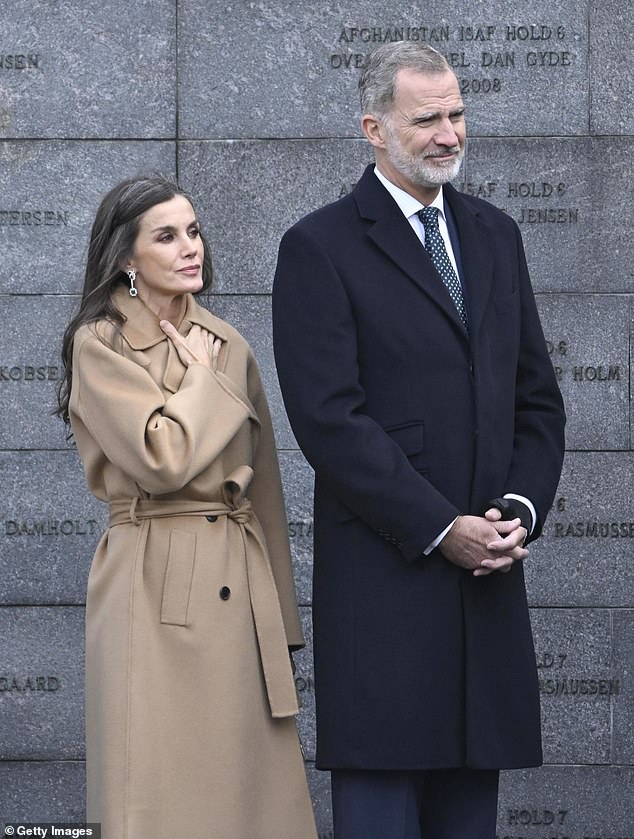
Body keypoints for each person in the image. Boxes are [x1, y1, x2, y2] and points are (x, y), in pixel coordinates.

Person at [272, 42, 566, 839]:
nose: (448, 133)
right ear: (374, 128)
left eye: (458, 113)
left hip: (488, 594)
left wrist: (516, 511)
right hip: (385, 596)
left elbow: (537, 402)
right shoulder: (320, 246)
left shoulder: (496, 235)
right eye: (427, 117)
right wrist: (443, 528)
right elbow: (331, 420)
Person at [56, 174, 317, 839]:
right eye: (166, 236)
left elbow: (263, 492)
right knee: (156, 790)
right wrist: (200, 378)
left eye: (194, 231)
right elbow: (160, 459)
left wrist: (280, 623)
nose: (189, 247)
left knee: (244, 795)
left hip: (237, 580)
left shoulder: (228, 341)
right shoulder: (101, 343)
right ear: (125, 258)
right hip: (149, 578)